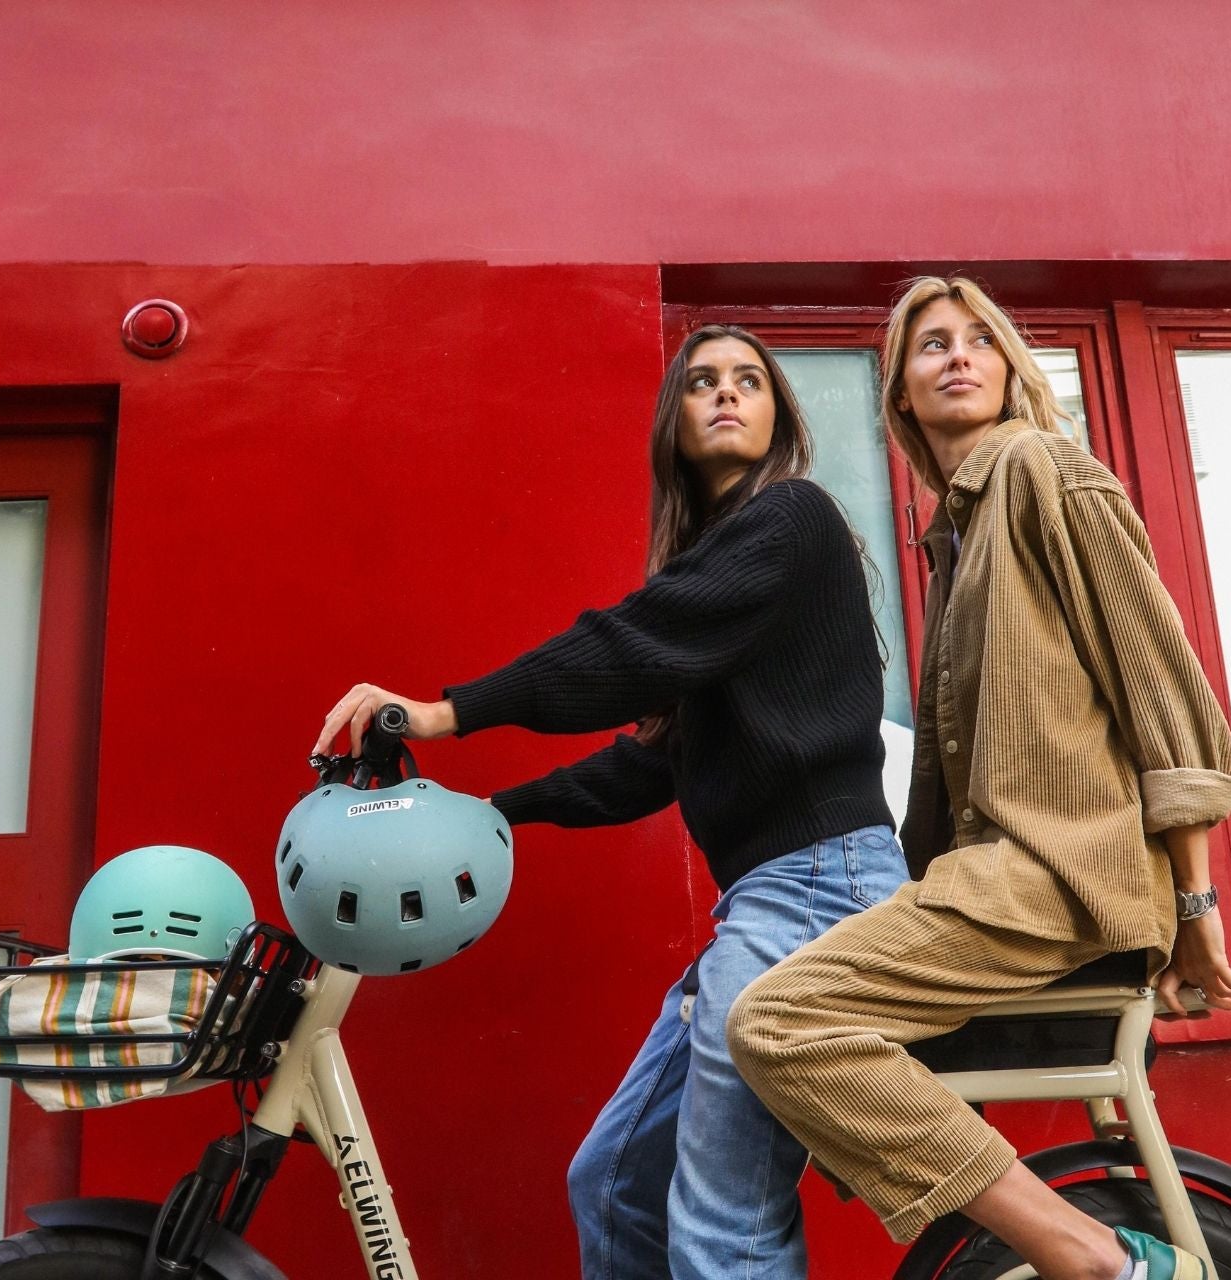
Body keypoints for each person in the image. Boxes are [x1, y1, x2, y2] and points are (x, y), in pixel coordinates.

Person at [312, 324, 907, 1280]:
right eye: (702, 381)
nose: (726, 393)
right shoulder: (717, 581)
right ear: (673, 420)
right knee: (615, 1181)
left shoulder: (791, 518)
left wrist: (446, 713)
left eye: (749, 381)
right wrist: (486, 813)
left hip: (816, 889)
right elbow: (649, 766)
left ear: (781, 418)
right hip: (771, 900)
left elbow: (628, 646)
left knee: (725, 1226)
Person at [726, 276, 1231, 1280]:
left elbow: (1163, 689)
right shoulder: (955, 537)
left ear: (1011, 370)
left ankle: (1094, 1258)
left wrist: (1196, 905)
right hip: (1000, 880)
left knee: (779, 1021)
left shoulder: (1043, 468)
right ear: (902, 393)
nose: (961, 356)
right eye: (933, 345)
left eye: (982, 339)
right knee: (792, 1024)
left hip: (1058, 876)